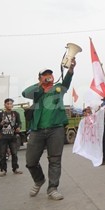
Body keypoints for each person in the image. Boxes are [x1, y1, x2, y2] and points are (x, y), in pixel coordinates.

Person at [21, 59, 75, 200]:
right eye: (45, 75)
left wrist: (70, 70)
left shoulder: (58, 89)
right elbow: (24, 93)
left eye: (50, 74)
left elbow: (67, 81)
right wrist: (40, 84)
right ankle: (39, 180)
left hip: (55, 129)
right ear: (40, 78)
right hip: (37, 130)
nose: (48, 77)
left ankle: (52, 188)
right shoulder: (36, 92)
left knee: (55, 159)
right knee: (31, 161)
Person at [0, 98, 23, 177]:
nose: (9, 105)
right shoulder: (1, 115)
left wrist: (19, 128)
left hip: (12, 136)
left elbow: (19, 123)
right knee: (3, 154)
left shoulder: (15, 114)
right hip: (3, 137)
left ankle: (15, 169)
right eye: (8, 104)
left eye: (11, 104)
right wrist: (1, 123)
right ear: (5, 105)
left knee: (14, 154)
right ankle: (3, 170)